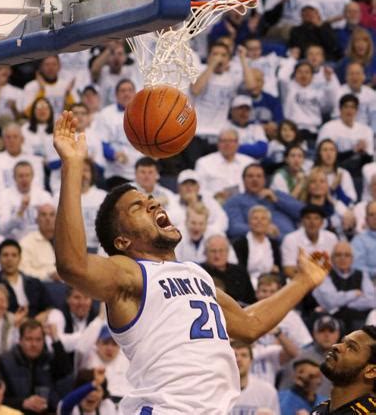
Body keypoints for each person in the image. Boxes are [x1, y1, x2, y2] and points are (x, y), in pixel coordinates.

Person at [52, 110, 331, 414]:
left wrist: (304, 280)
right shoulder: (130, 272)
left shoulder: (196, 274)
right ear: (123, 241)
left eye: (150, 200)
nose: (153, 203)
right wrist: (73, 166)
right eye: (138, 207)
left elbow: (250, 326)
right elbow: (72, 265)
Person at [0, 319, 72, 415]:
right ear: (20, 340)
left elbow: (66, 372)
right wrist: (23, 403)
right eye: (29, 339)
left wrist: (55, 339)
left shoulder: (48, 359)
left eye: (38, 340)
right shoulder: (4, 362)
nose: (34, 344)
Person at [224, 163, 304, 241]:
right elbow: (234, 228)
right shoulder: (235, 201)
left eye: (259, 176)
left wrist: (277, 201)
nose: (255, 179)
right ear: (243, 180)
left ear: (264, 180)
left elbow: (303, 213)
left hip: (294, 241)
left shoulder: (276, 194)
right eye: (250, 176)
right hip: (266, 243)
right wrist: (261, 229)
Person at [0, 239, 52, 319]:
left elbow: (49, 306)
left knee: (56, 315)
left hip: (35, 324)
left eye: (14, 255)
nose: (9, 259)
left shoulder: (34, 282)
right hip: (7, 324)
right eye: (5, 255)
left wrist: (39, 318)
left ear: (20, 258)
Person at [312, 241, 375, 334]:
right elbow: (331, 300)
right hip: (334, 320)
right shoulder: (325, 275)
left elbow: (372, 301)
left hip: (361, 319)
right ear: (332, 258)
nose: (343, 258)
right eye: (338, 255)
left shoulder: (362, 274)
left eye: (347, 255)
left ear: (352, 259)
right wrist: (354, 294)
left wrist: (345, 303)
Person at [312, 325, 376, 414]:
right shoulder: (321, 408)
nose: (336, 346)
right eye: (342, 342)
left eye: (351, 347)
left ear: (371, 371)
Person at [278, 315, 342, 398]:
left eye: (331, 331)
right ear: (314, 334)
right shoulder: (300, 358)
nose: (326, 335)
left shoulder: (343, 360)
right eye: (321, 330)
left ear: (338, 334)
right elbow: (284, 392)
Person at [0, 161, 53, 240]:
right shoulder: (3, 196)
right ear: (14, 177)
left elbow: (52, 224)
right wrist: (21, 210)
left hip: (40, 242)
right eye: (21, 176)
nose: (24, 179)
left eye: (27, 175)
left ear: (32, 176)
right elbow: (2, 229)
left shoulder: (44, 196)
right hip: (14, 243)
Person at [195, 128, 254, 204]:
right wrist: (215, 196)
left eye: (231, 141)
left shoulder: (249, 162)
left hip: (246, 203)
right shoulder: (203, 163)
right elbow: (199, 189)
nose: (227, 144)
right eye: (224, 141)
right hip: (215, 204)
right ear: (218, 143)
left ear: (237, 144)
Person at [281, 205, 338, 278]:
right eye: (308, 218)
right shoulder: (290, 239)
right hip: (300, 282)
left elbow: (336, 265)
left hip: (327, 281)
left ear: (322, 222)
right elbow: (289, 270)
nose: (312, 222)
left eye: (316, 218)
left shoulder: (331, 238)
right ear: (302, 221)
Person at [232, 205, 281, 288]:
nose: (259, 222)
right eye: (255, 218)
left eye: (263, 218)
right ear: (249, 222)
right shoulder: (239, 244)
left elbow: (278, 269)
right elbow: (239, 270)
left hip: (271, 285)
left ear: (269, 223)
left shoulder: (273, 244)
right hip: (247, 285)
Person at [201, 234, 256, 306]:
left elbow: (251, 300)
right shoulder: (199, 272)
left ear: (228, 252)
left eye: (221, 251)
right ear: (205, 253)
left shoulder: (240, 271)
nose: (217, 255)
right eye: (213, 251)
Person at [230, 341, 280, 415]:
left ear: (251, 361)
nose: (239, 359)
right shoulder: (216, 390)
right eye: (234, 355)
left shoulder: (267, 391)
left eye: (244, 355)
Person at [19, 204, 57, 281]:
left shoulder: (67, 241)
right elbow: (23, 270)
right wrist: (49, 275)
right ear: (37, 220)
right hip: (41, 286)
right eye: (43, 215)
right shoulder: (26, 242)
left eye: (52, 215)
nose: (48, 218)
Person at [351, 200, 376, 283]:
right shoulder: (358, 241)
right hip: (370, 284)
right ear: (366, 219)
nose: (375, 217)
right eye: (371, 214)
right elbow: (357, 269)